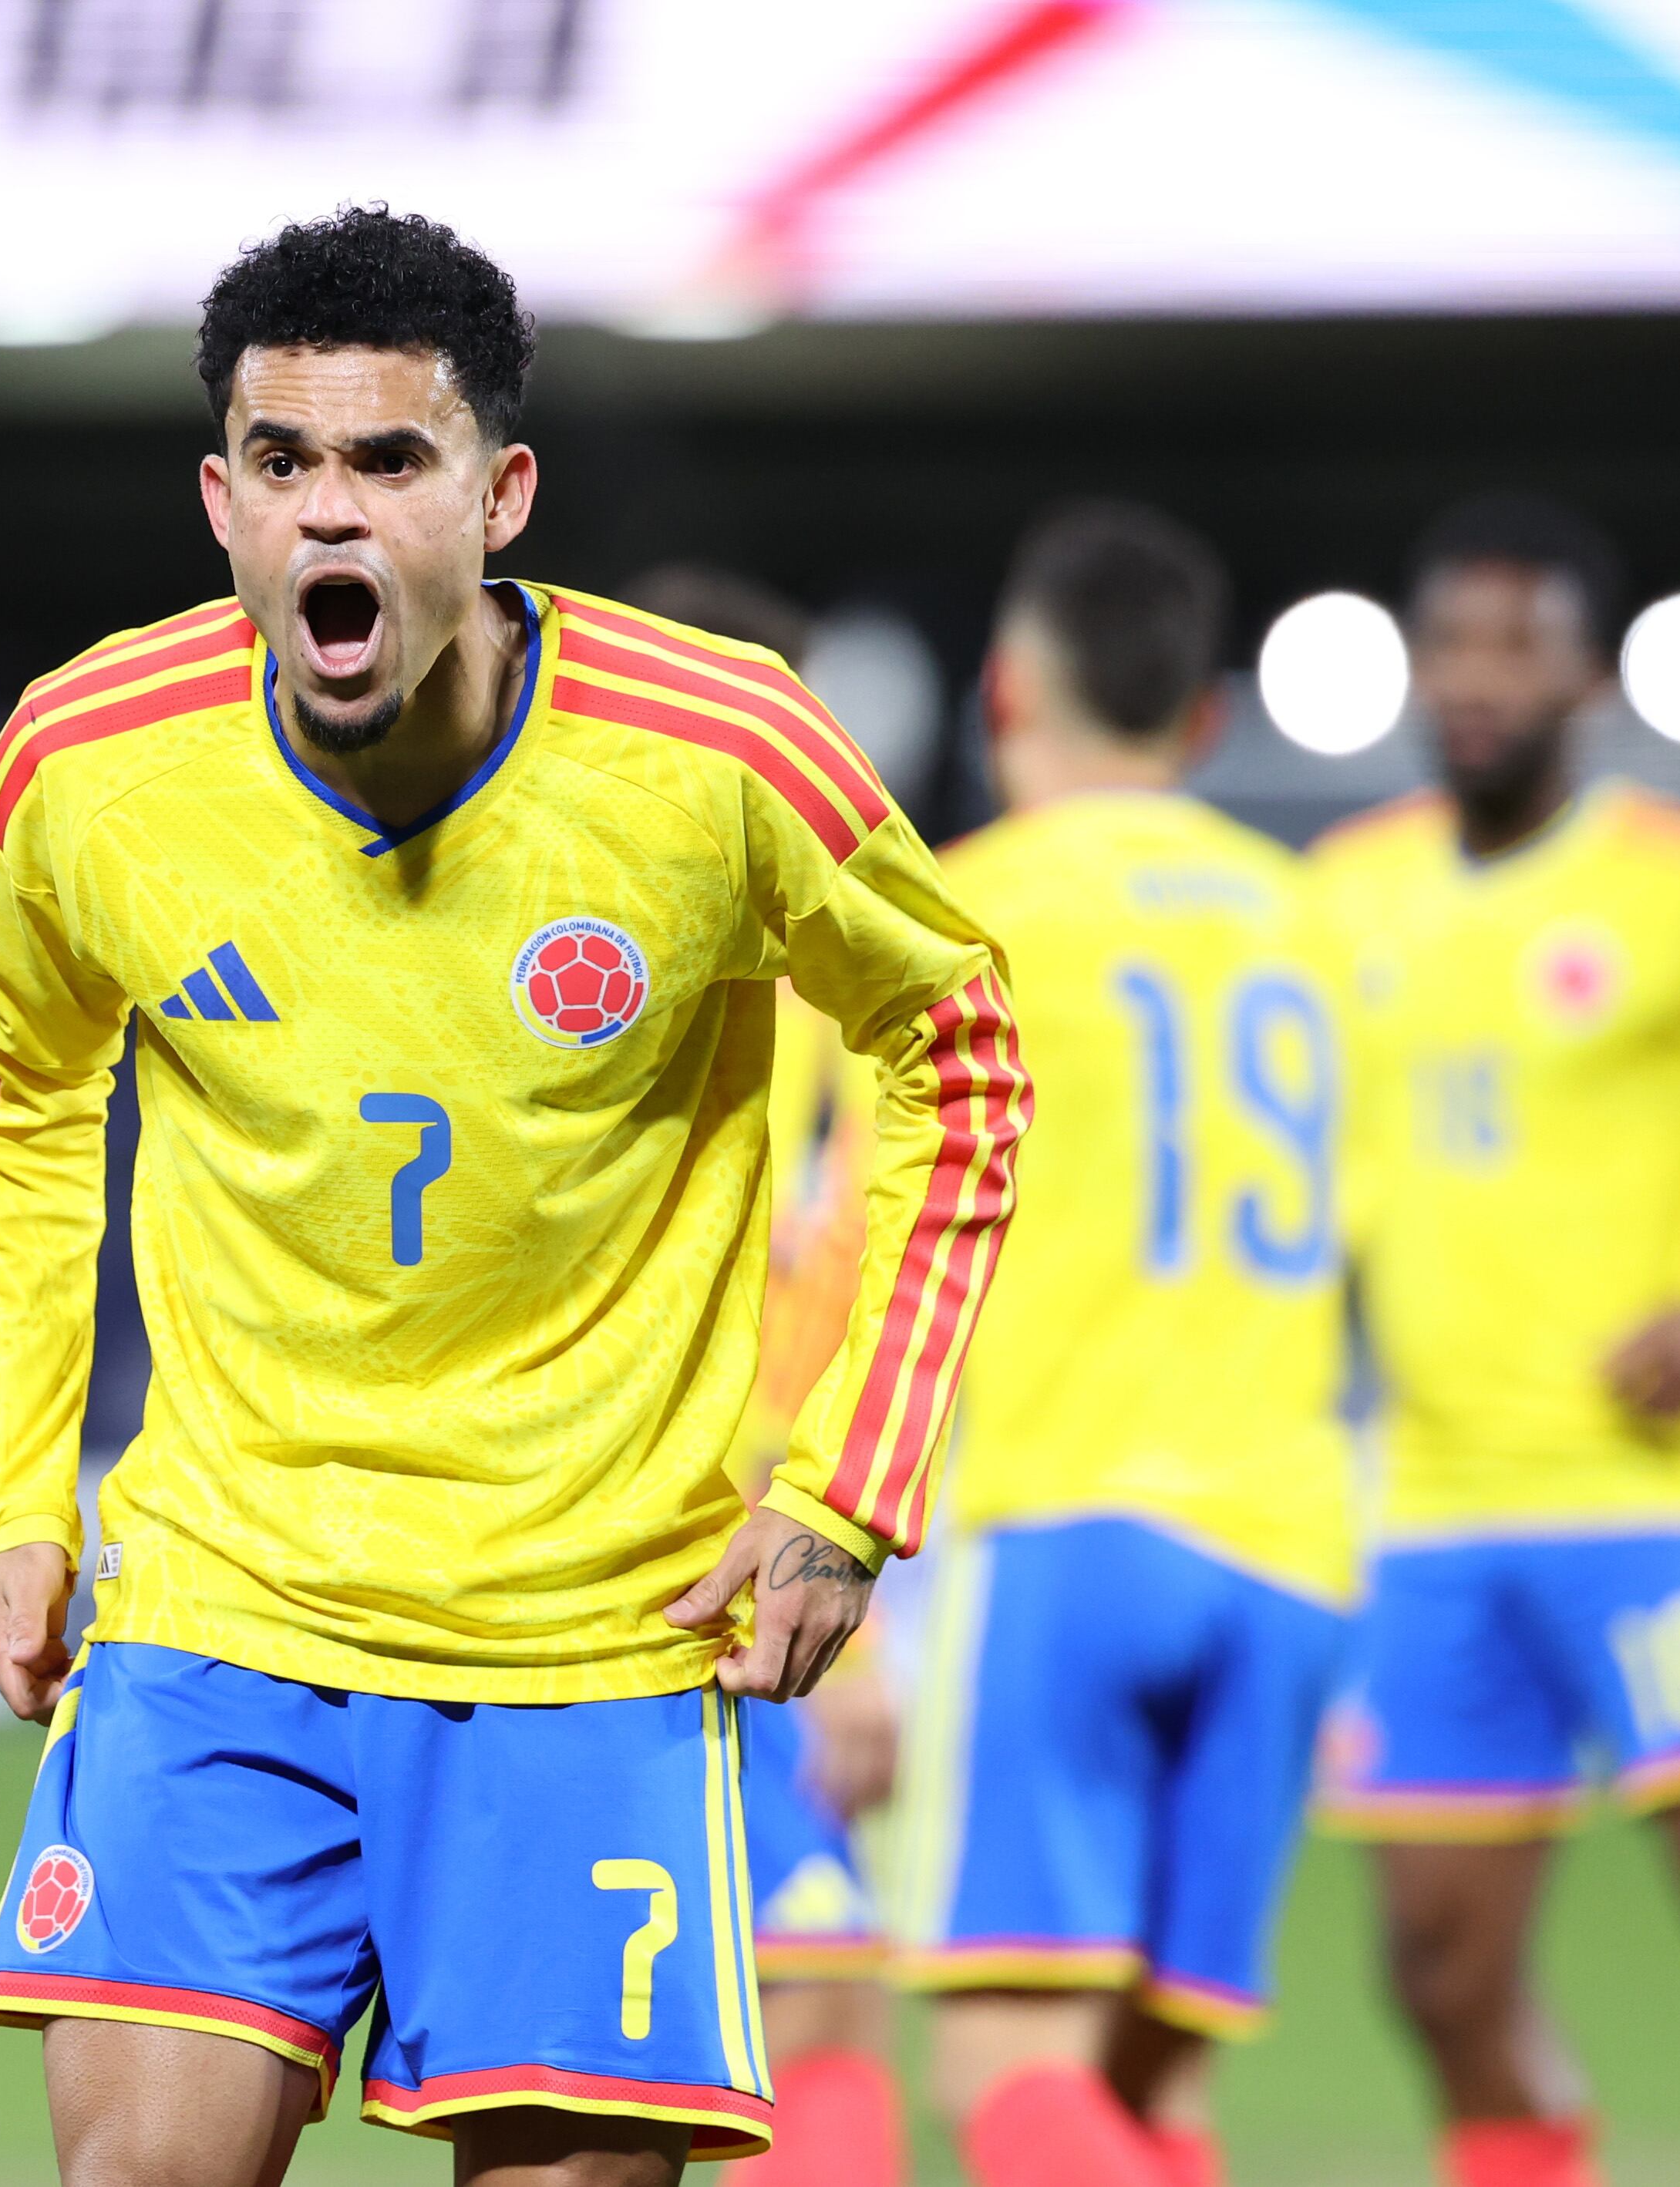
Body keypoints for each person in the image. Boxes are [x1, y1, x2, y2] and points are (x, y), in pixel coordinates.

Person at [0, 206, 1030, 2187]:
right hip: (226, 1600)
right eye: (282, 466)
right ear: (218, 500)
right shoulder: (91, 768)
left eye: (390, 463)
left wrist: (851, 1492)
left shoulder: (717, 758)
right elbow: (17, 1098)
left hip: (589, 1635)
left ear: (502, 493)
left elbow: (960, 1055)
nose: (329, 520)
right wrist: (16, 1503)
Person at [1313, 494, 1680, 2187]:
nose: (1478, 680)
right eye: (1453, 644)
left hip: (1654, 1505)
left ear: (1595, 682)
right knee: (1438, 1972)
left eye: (1519, 646)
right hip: (1430, 1505)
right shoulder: (1344, 896)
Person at [887, 503, 1354, 2187]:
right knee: (1153, 2094)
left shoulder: (963, 909)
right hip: (1295, 1549)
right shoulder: (1311, 919)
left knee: (1007, 2068)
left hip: (1079, 1522)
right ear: (1204, 721)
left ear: (1006, 691)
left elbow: (829, 1238)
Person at [626, 564, 909, 2187]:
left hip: (621, 1562)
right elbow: (830, 1307)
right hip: (720, 1578)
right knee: (806, 2022)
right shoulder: (827, 1001)